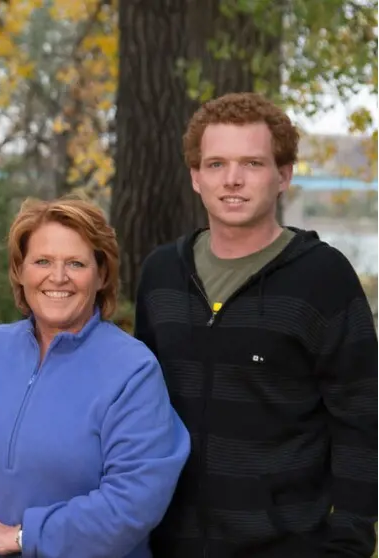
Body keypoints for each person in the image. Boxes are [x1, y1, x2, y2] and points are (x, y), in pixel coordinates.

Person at [135, 92, 378, 557]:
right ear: (195, 177)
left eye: (252, 163)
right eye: (216, 164)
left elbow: (361, 424)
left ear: (283, 175)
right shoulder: (161, 274)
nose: (232, 180)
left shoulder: (323, 278)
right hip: (169, 543)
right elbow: (141, 411)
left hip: (287, 546)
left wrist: (349, 544)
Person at [0, 197, 190, 558]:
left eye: (76, 263)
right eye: (42, 261)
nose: (58, 277)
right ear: (20, 270)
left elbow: (135, 500)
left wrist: (22, 536)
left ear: (101, 275)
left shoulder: (132, 369)